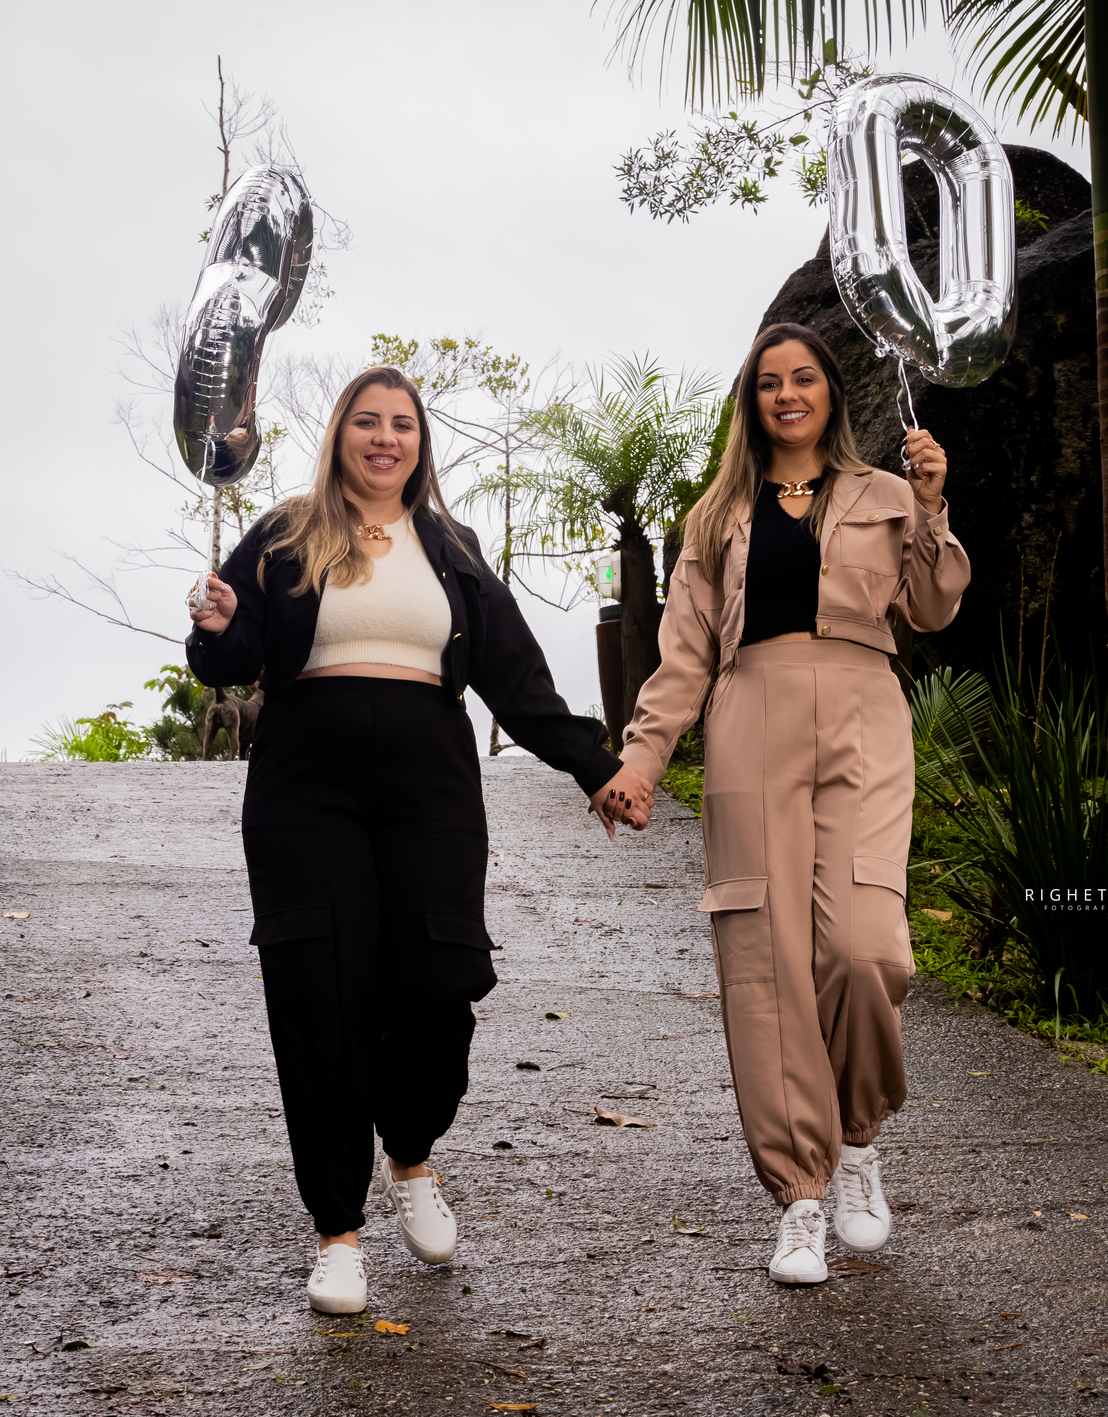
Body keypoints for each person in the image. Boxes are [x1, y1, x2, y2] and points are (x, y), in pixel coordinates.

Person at [185, 366, 653, 1313]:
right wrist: (219, 626)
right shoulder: (283, 534)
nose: (384, 437)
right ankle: (337, 1231)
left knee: (440, 984)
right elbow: (229, 652)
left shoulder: (452, 547)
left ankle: (409, 1151)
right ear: (340, 435)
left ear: (419, 442)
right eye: (367, 421)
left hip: (429, 787)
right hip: (304, 789)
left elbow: (516, 677)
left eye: (401, 423)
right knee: (321, 995)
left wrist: (595, 766)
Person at [620, 323, 970, 1283]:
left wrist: (931, 503)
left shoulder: (887, 494)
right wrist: (642, 761)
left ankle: (857, 1140)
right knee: (764, 960)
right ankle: (802, 1198)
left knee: (866, 946)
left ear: (831, 392)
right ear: (752, 400)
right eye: (769, 381)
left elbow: (934, 605)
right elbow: (683, 656)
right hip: (751, 720)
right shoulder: (716, 516)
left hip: (864, 715)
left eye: (803, 377)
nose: (787, 394)